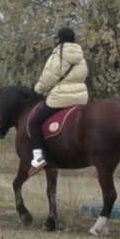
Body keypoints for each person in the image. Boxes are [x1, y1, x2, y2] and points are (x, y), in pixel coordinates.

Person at [28, 27, 89, 177]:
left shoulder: (58, 54)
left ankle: (38, 158)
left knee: (35, 122)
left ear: (60, 39)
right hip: (80, 98)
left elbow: (48, 78)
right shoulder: (80, 56)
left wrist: (38, 89)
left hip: (60, 98)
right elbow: (83, 75)